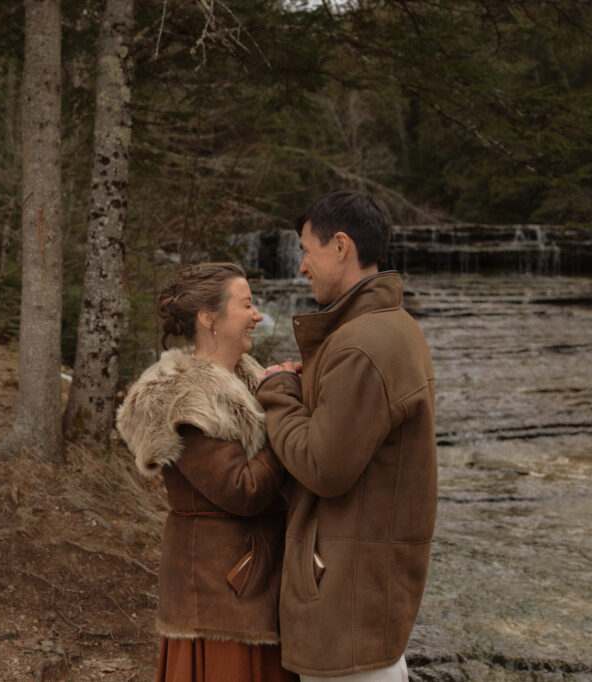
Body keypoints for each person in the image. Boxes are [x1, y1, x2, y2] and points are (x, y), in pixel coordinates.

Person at [256, 190, 437, 681]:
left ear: (340, 245)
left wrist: (276, 392)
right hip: (361, 600)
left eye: (305, 251)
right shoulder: (384, 329)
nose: (300, 267)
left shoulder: (362, 345)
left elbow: (323, 467)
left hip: (347, 605)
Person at [116, 263, 297, 682]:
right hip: (220, 598)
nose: (257, 315)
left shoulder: (254, 381)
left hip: (259, 587)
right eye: (247, 304)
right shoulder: (182, 396)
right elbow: (244, 490)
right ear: (209, 318)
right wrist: (286, 417)